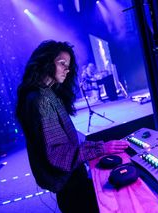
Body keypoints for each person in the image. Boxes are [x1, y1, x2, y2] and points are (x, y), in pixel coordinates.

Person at [15, 40, 129, 213]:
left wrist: (90, 145)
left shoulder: (45, 94)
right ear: (46, 62)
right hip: (72, 189)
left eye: (68, 66)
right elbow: (59, 156)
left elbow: (63, 145)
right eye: (62, 64)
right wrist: (101, 148)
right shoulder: (41, 99)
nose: (66, 70)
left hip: (71, 184)